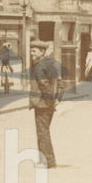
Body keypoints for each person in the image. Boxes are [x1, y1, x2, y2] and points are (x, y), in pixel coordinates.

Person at [29, 40, 62, 168]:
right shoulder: (52, 64)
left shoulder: (38, 66)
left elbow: (43, 85)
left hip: (42, 103)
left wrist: (49, 101)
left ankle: (46, 161)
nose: (31, 54)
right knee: (45, 131)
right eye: (31, 51)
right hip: (48, 103)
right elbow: (60, 82)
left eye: (34, 51)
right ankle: (48, 160)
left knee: (42, 132)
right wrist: (57, 98)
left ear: (42, 52)